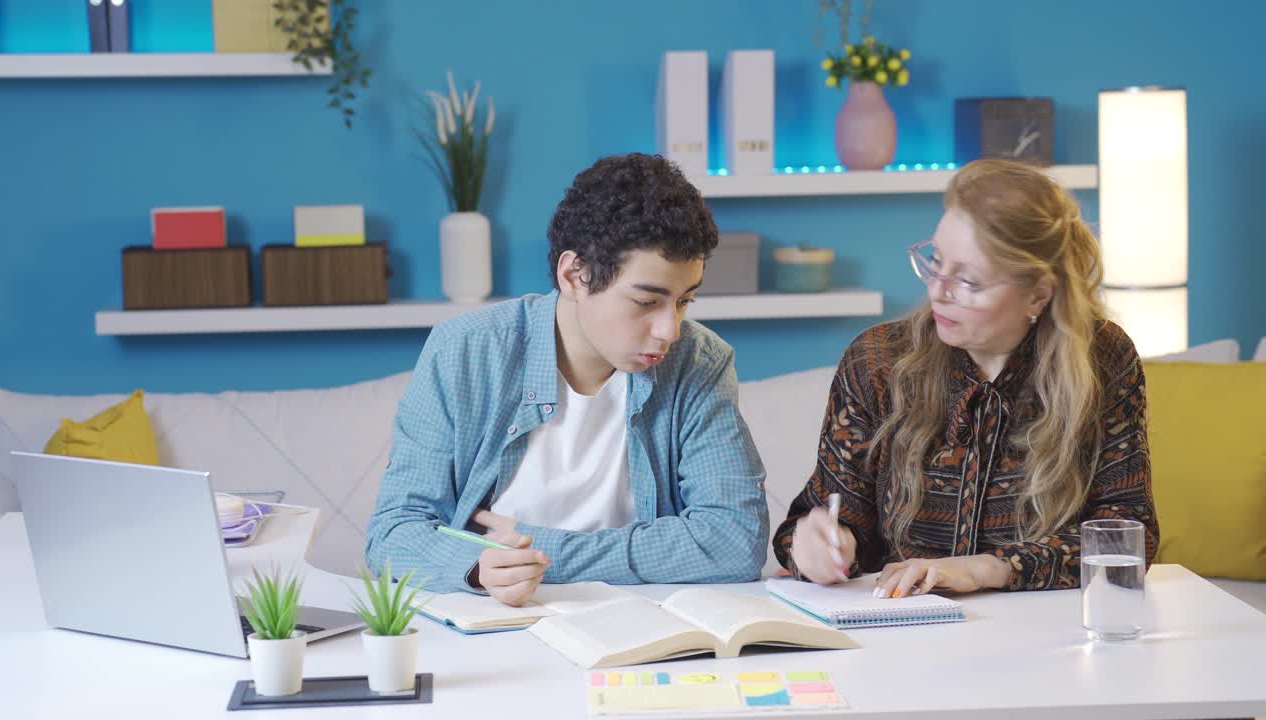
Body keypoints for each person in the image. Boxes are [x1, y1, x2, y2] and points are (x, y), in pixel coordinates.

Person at [367, 152, 768, 605]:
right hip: (496, 622)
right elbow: (393, 534)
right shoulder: (466, 351)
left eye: (684, 301)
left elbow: (735, 541)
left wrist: (544, 550)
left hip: (644, 625)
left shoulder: (699, 362)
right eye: (646, 302)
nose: (669, 331)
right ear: (574, 275)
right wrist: (478, 567)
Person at [773, 159, 1158, 598]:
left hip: (1049, 625)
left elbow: (1129, 537)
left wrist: (987, 569)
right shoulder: (877, 361)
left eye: (969, 281)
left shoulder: (1103, 359)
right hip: (902, 624)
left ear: (1038, 293)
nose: (938, 291)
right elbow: (822, 521)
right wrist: (817, 545)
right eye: (936, 262)